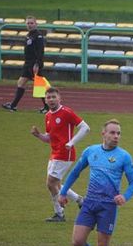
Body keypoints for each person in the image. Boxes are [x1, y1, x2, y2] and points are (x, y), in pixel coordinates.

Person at [59, 119, 133, 246]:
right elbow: (75, 172)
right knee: (77, 241)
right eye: (112, 132)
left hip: (108, 206)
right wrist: (63, 192)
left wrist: (124, 196)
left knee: (103, 245)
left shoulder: (124, 156)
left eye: (118, 133)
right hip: (89, 203)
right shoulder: (90, 151)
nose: (116, 136)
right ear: (103, 134)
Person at [31, 87, 90, 222]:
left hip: (65, 153)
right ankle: (80, 200)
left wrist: (72, 142)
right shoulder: (47, 116)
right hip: (54, 153)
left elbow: (85, 128)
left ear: (59, 98)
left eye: (53, 97)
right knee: (56, 183)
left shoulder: (66, 112)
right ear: (45, 100)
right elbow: (49, 138)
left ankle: (59, 213)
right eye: (48, 97)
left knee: (51, 183)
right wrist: (38, 135)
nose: (51, 100)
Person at [2, 15, 48, 113]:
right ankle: (13, 106)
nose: (30, 25)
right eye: (28, 23)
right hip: (28, 64)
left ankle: (48, 107)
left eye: (32, 23)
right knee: (21, 83)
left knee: (39, 86)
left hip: (34, 65)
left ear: (36, 24)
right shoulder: (29, 35)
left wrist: (37, 64)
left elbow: (41, 51)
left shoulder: (38, 36)